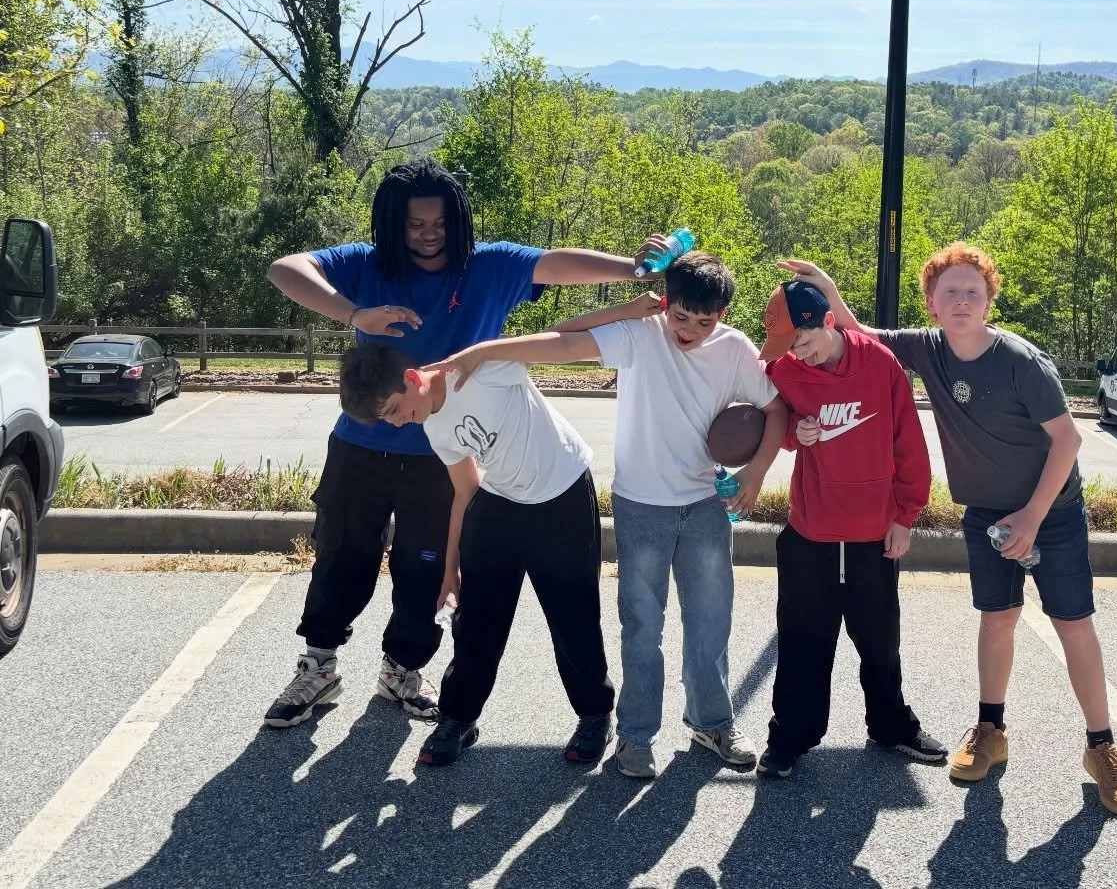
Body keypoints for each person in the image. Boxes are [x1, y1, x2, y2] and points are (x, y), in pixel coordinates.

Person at [263, 154, 664, 728]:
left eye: (438, 222)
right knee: (340, 558)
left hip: (445, 454)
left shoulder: (489, 265)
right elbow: (285, 268)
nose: (428, 234)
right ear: (393, 224)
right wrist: (355, 312)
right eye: (414, 224)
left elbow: (558, 265)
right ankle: (318, 668)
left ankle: (402, 670)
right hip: (360, 445)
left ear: (457, 217)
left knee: (424, 570)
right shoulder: (368, 266)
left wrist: (633, 269)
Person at [780, 245, 1117, 817]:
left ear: (990, 300)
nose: (962, 301)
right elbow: (856, 329)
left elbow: (1068, 442)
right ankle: (990, 729)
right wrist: (825, 284)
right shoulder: (927, 348)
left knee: (1073, 625)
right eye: (950, 291)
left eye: (973, 291)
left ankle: (1102, 747)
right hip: (986, 514)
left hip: (1052, 512)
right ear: (932, 303)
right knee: (997, 620)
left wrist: (1032, 518)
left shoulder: (1023, 361)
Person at [439, 252, 788, 779]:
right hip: (641, 504)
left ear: (720, 315)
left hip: (705, 507)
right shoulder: (639, 333)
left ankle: (712, 722)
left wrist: (756, 474)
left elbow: (776, 408)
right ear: (665, 302)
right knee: (642, 626)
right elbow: (562, 339)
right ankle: (635, 736)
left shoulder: (735, 350)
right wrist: (485, 350)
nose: (690, 330)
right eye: (681, 316)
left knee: (710, 622)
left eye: (705, 320)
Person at [333, 291, 660, 767]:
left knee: (572, 617)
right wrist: (451, 568)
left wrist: (628, 310)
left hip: (561, 494)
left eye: (396, 411)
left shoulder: (480, 368)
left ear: (412, 378)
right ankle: (457, 718)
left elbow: (561, 335)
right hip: (501, 501)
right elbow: (465, 490)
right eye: (390, 420)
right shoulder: (431, 426)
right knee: (477, 620)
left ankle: (594, 714)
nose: (400, 423)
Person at [753, 280, 948, 779]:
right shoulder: (786, 370)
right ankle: (790, 737)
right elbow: (771, 420)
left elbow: (910, 444)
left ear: (829, 321)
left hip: (874, 531)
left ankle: (891, 726)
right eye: (790, 346)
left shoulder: (880, 363)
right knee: (802, 639)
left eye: (804, 340)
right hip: (810, 531)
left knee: (879, 639)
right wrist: (796, 432)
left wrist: (906, 516)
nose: (799, 354)